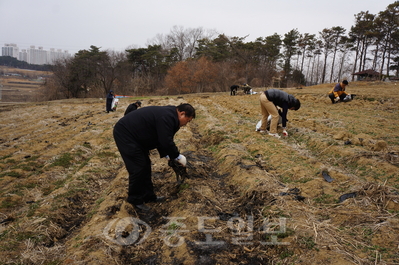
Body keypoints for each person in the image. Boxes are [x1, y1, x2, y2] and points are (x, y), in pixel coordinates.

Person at [113, 103, 196, 211]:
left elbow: (160, 138)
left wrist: (168, 155)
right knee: (138, 168)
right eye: (188, 120)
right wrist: (176, 156)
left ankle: (148, 196)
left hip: (137, 137)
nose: (186, 124)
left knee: (146, 165)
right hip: (126, 134)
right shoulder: (168, 117)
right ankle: (135, 199)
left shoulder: (170, 116)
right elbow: (165, 141)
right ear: (182, 114)